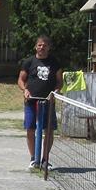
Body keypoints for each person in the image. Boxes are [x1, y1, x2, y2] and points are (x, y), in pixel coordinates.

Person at [17, 36, 64, 171]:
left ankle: (45, 160)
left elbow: (59, 81)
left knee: (48, 130)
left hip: (48, 101)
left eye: (44, 45)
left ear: (49, 47)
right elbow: (21, 80)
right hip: (31, 101)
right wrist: (25, 90)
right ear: (35, 47)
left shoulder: (54, 62)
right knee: (30, 129)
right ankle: (33, 159)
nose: (42, 47)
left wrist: (56, 91)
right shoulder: (29, 62)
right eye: (39, 45)